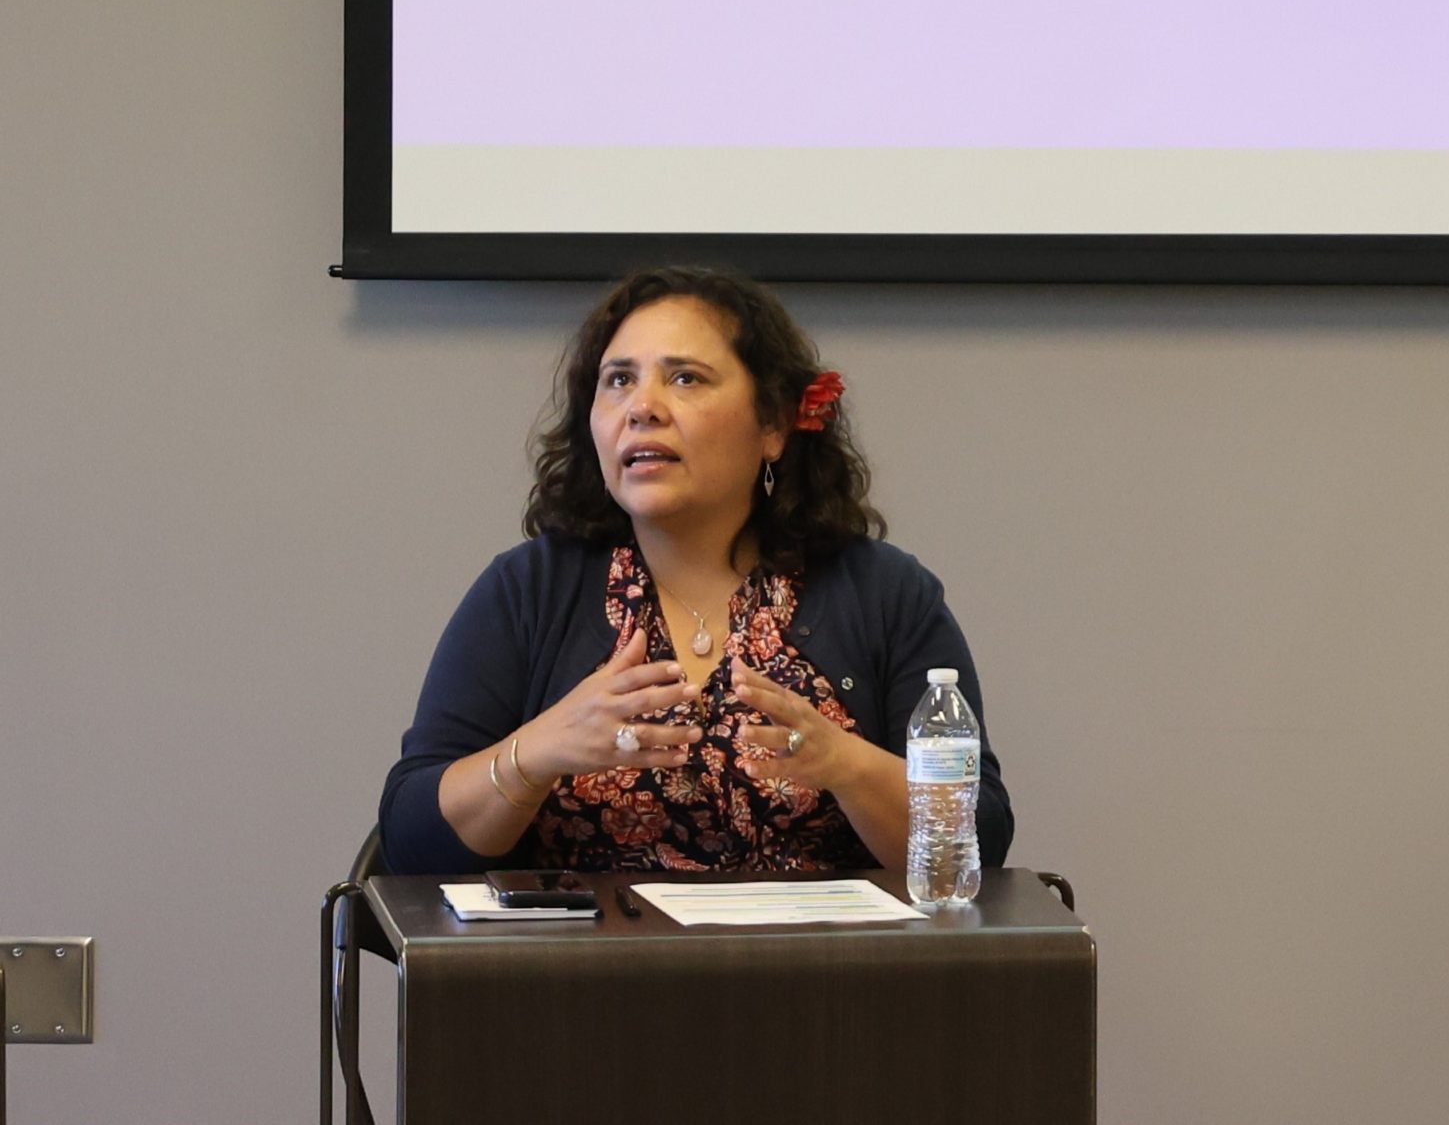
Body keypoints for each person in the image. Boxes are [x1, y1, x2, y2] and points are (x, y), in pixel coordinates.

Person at [379, 267, 1014, 876]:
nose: (643, 407)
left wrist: (847, 765)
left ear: (772, 425)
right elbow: (410, 840)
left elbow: (979, 839)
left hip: (827, 981)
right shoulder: (528, 591)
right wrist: (538, 752)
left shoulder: (884, 594)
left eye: (685, 379)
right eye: (618, 380)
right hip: (579, 979)